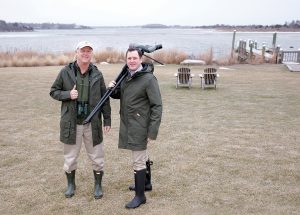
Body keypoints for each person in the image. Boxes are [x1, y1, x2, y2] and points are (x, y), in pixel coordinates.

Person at [50, 41, 111, 199]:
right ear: (76, 52)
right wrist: (67, 95)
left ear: (91, 54)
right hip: (72, 124)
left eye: (88, 51)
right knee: (70, 158)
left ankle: (98, 185)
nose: (85, 54)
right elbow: (54, 91)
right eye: (82, 50)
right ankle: (71, 184)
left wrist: (107, 120)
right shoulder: (65, 72)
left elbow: (105, 98)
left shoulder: (97, 73)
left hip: (93, 123)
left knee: (97, 157)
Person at [108, 47, 162, 209]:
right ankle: (146, 184)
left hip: (140, 125)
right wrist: (112, 88)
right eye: (129, 58)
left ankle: (140, 196)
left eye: (134, 58)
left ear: (140, 59)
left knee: (138, 160)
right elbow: (121, 94)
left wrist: (152, 131)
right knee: (143, 156)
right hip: (128, 123)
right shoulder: (127, 76)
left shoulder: (148, 79)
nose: (131, 61)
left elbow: (157, 106)